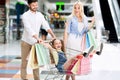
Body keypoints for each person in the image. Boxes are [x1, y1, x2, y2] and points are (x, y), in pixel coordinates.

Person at [21, 0, 56, 80]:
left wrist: (52, 35)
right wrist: (38, 38)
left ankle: (37, 78)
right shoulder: (25, 15)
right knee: (24, 62)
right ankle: (24, 78)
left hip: (35, 42)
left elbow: (45, 25)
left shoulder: (40, 15)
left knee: (36, 62)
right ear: (29, 5)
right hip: (26, 41)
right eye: (33, 5)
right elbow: (28, 28)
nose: (35, 7)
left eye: (36, 5)